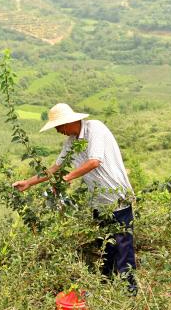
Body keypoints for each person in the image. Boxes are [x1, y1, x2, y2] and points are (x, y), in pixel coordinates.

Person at [12, 103, 137, 293]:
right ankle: (106, 292)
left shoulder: (95, 128)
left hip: (118, 200)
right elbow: (56, 168)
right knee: (106, 249)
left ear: (70, 121)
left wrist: (69, 177)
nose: (58, 130)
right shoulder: (71, 142)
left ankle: (130, 294)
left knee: (123, 250)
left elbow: (94, 161)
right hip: (99, 203)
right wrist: (29, 182)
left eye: (59, 126)